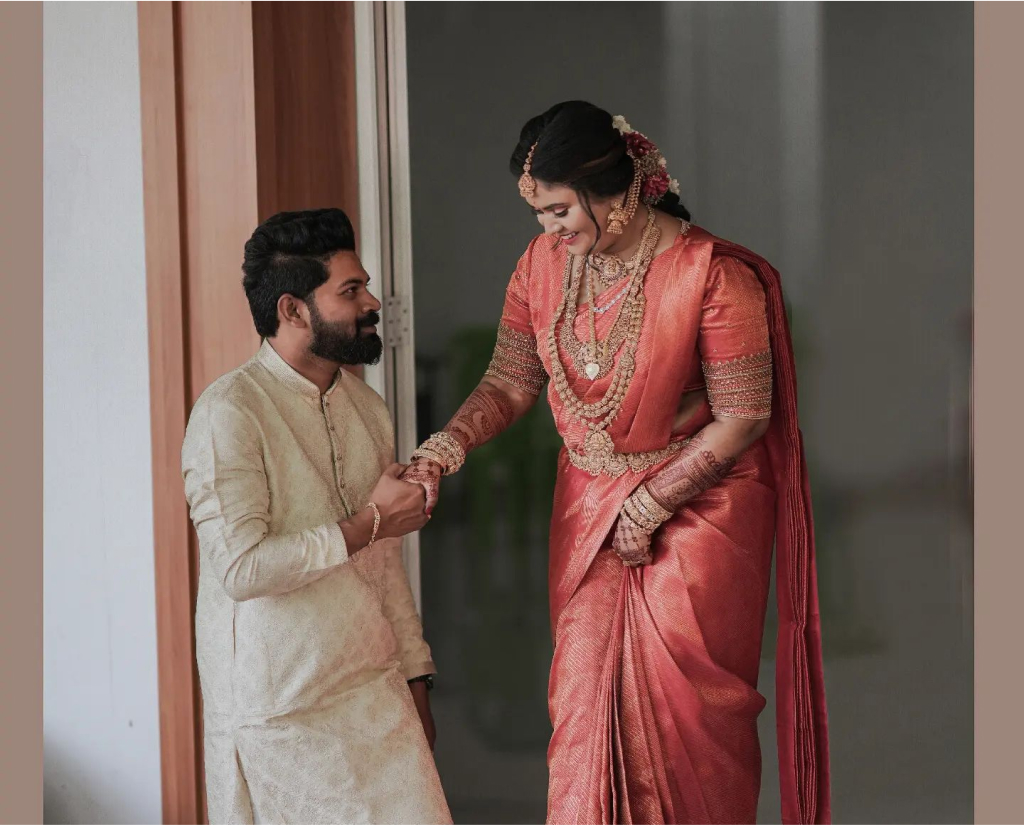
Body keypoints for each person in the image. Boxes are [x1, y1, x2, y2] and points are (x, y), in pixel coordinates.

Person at [401, 101, 830, 824]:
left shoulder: (714, 276)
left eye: (560, 210)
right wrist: (450, 443)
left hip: (700, 513)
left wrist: (654, 501)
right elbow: (511, 378)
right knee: (581, 703)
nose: (548, 230)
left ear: (620, 190)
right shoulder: (542, 266)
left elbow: (745, 416)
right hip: (590, 506)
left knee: (692, 716)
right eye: (538, 214)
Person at [181, 208, 452, 824]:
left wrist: (416, 677)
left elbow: (386, 564)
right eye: (350, 291)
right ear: (293, 309)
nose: (373, 301)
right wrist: (368, 524)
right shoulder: (230, 414)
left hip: (374, 694)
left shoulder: (366, 408)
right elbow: (243, 569)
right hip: (280, 714)